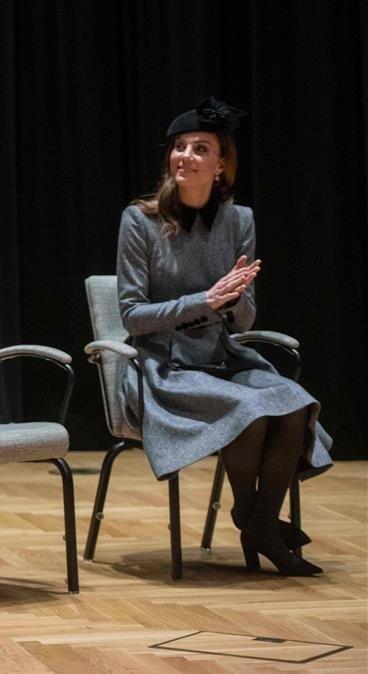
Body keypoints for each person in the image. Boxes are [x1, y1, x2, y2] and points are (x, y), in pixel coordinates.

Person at [116, 96, 333, 576]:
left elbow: (244, 323)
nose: (184, 156)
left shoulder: (240, 221)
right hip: (163, 366)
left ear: (220, 166)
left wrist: (234, 300)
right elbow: (132, 317)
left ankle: (255, 519)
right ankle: (261, 526)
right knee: (250, 412)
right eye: (178, 147)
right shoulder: (141, 221)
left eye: (199, 148)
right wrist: (206, 301)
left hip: (221, 355)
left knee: (294, 402)